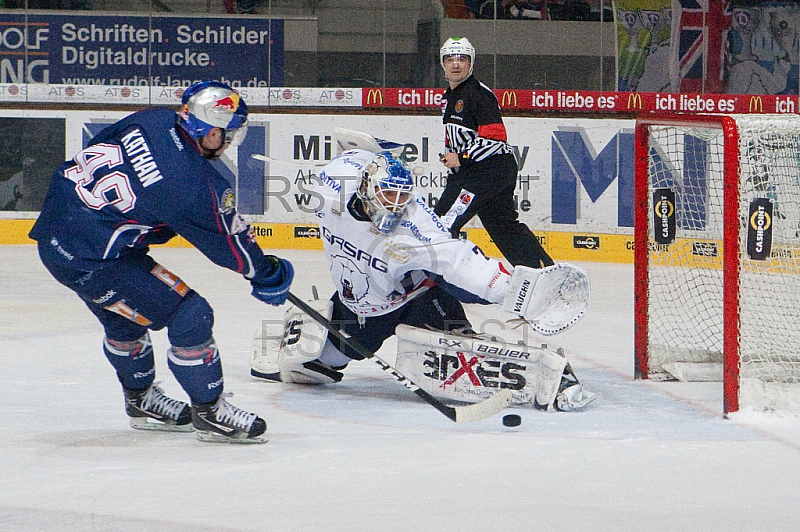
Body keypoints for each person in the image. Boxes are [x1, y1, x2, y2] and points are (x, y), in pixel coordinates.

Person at [29, 80, 293, 444]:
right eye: (225, 132)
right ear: (206, 128)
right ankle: (211, 411)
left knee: (124, 321)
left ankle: (141, 402)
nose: (228, 140)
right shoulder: (193, 184)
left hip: (58, 235)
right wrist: (267, 273)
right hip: (95, 258)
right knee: (191, 314)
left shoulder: (150, 120)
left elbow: (96, 148)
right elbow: (229, 248)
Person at [250, 141, 593, 411]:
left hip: (419, 297)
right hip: (359, 310)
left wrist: (520, 291)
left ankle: (538, 376)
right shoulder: (333, 188)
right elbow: (353, 148)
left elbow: (462, 261)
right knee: (316, 368)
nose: (394, 205)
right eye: (387, 195)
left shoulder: (414, 228)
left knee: (462, 347)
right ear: (367, 188)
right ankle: (302, 346)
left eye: (402, 197)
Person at [435, 37, 554, 269]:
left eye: (462, 59)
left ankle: (438, 284)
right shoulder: (449, 97)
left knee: (441, 223)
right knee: (503, 227)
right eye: (450, 59)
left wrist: (461, 158)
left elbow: (495, 136)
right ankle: (542, 273)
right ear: (443, 64)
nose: (456, 64)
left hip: (486, 171)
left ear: (471, 64)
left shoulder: (478, 93)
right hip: (489, 171)